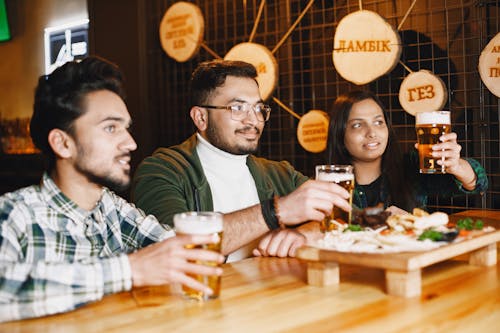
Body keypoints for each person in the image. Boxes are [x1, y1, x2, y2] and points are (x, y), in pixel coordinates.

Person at [0, 57, 225, 322]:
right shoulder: (16, 212)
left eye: (126, 128)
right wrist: (130, 271)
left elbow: (179, 251)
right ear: (63, 144)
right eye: (110, 128)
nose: (130, 143)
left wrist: (279, 235)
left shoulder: (112, 208)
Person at [131, 59, 351, 262]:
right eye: (237, 108)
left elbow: (348, 216)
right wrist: (276, 211)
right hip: (201, 300)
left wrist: (304, 233)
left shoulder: (277, 172)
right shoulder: (162, 170)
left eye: (258, 108)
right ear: (201, 117)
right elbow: (170, 247)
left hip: (274, 297)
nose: (253, 119)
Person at [326, 90, 488, 213]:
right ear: (339, 133)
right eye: (357, 125)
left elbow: (479, 184)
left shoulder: (411, 167)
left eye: (378, 122)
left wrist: (458, 166)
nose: (372, 132)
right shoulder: (327, 185)